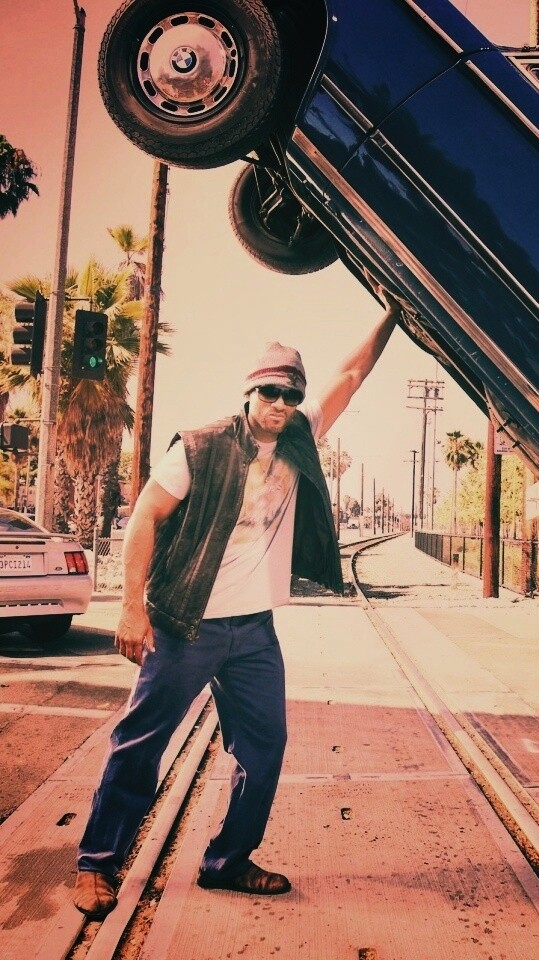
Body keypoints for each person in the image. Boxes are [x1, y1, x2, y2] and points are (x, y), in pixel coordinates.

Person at [73, 291, 400, 920]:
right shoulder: (200, 446)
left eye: (291, 395)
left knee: (265, 747)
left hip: (253, 631)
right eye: (270, 392)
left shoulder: (299, 436)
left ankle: (228, 860)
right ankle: (96, 864)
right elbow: (144, 518)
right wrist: (132, 607)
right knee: (141, 744)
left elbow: (351, 374)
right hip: (184, 623)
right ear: (250, 391)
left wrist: (394, 312)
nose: (281, 404)